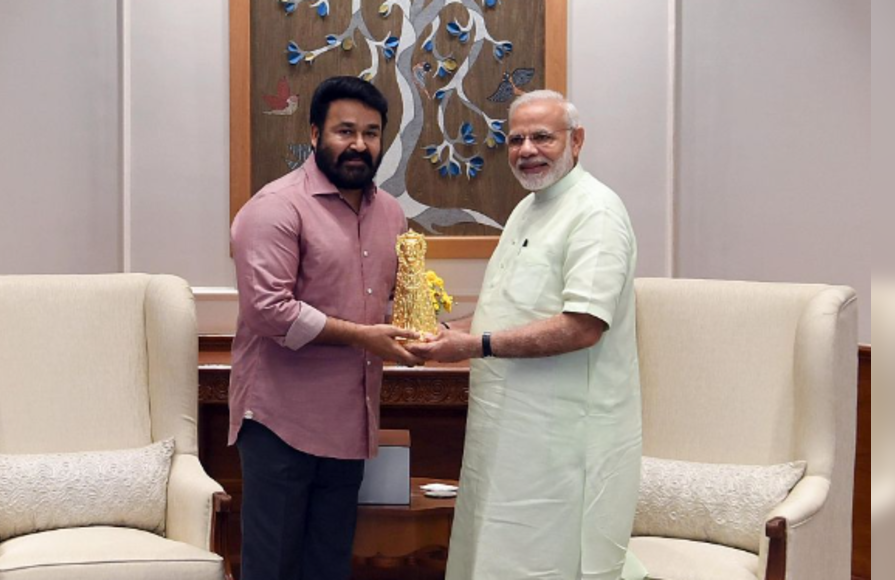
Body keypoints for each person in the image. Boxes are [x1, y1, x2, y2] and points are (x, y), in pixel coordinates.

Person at [407, 90, 643, 580]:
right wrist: (446, 332)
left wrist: (473, 346)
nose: (527, 150)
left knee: (544, 561)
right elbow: (510, 309)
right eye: (516, 140)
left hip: (563, 442)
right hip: (507, 435)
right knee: (493, 554)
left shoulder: (596, 211)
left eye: (542, 137)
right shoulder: (527, 208)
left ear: (576, 141)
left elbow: (584, 326)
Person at [229, 76, 422, 580]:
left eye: (371, 133)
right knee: (272, 568)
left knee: (329, 567)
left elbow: (386, 306)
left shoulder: (392, 215)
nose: (359, 144)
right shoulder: (276, 207)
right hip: (280, 424)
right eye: (345, 131)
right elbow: (268, 310)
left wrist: (428, 333)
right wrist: (362, 336)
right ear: (315, 134)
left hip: (350, 424)